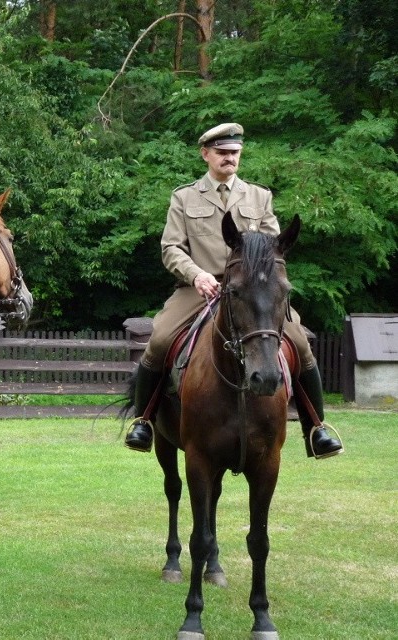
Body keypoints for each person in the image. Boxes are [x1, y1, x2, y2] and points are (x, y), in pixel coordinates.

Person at [124, 123, 344, 460]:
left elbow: (275, 248)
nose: (230, 158)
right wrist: (196, 275)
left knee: (299, 342)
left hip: (252, 291)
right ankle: (144, 422)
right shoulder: (184, 196)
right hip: (199, 288)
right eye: (223, 153)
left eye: (235, 153)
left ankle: (316, 428)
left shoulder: (259, 196)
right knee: (160, 339)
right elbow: (171, 248)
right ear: (206, 154)